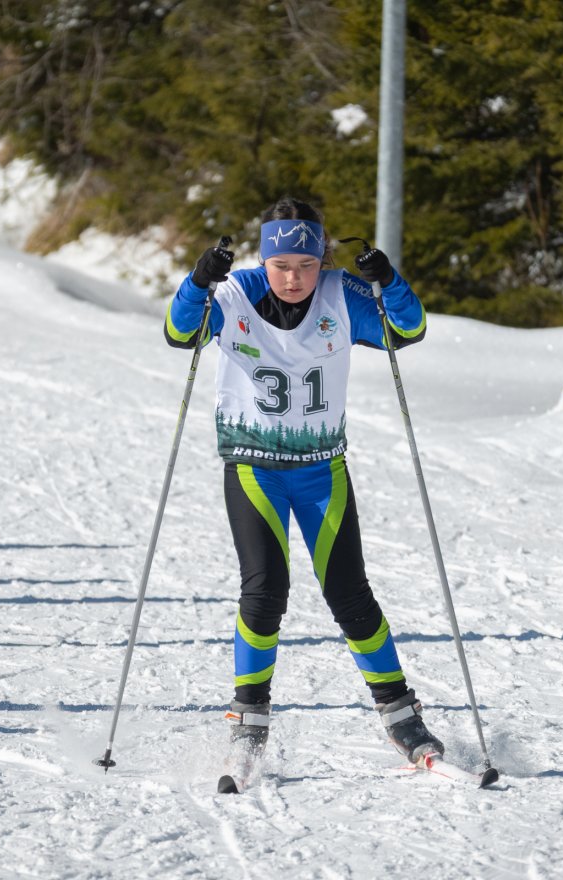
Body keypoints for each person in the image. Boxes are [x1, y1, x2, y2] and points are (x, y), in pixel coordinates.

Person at [164, 197, 442, 767]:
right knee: (264, 591)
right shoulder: (233, 292)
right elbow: (178, 332)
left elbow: (408, 330)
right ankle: (248, 719)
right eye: (282, 266)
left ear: (323, 260)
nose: (294, 279)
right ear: (264, 260)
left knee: (351, 595)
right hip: (254, 469)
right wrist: (198, 282)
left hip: (322, 472)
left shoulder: (343, 294)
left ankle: (401, 715)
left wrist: (389, 281)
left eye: (307, 265)